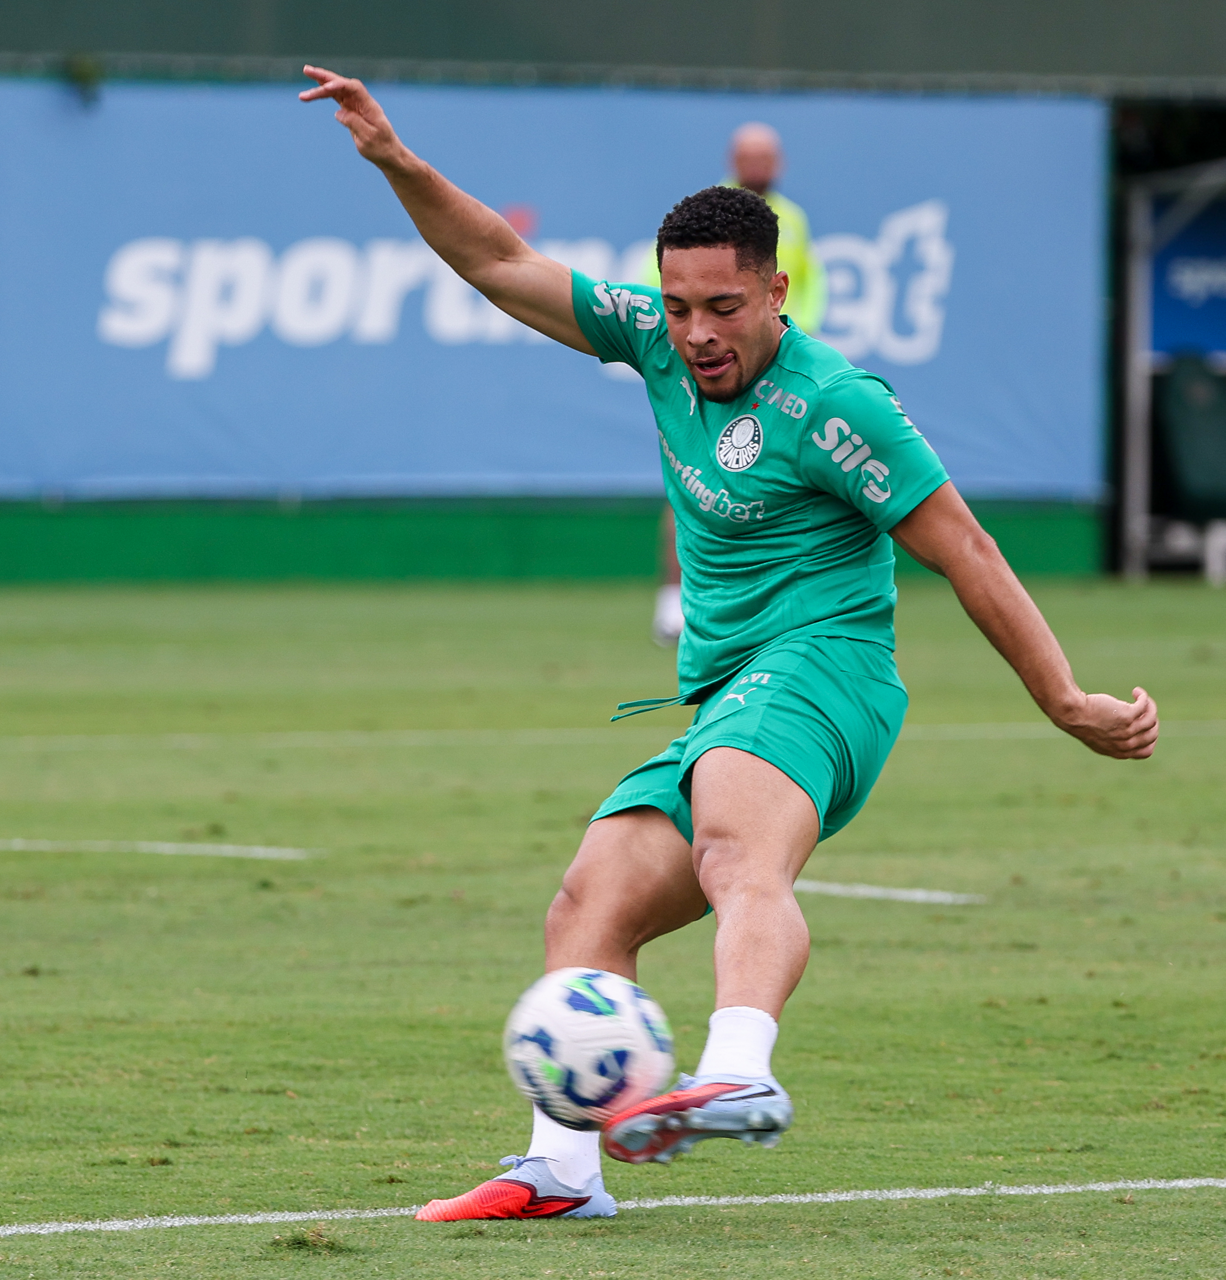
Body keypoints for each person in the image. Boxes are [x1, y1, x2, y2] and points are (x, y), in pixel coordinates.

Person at [300, 66, 1160, 1222]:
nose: (695, 332)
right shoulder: (655, 342)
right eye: (677, 305)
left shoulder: (837, 403)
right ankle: (561, 1168)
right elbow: (498, 263)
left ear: (773, 291)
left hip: (826, 672)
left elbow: (965, 548)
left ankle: (739, 1067)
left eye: (720, 306)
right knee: (588, 899)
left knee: (732, 846)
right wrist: (397, 162)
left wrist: (1061, 698)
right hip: (725, 695)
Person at [650, 122, 825, 646]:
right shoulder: (704, 218)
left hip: (773, 371)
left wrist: (792, 340)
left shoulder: (793, 221)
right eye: (749, 157)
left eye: (766, 158)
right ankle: (673, 603)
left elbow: (807, 285)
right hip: (713, 370)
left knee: (778, 483)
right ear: (734, 160)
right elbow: (665, 286)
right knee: (693, 479)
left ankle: (775, 603)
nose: (758, 167)